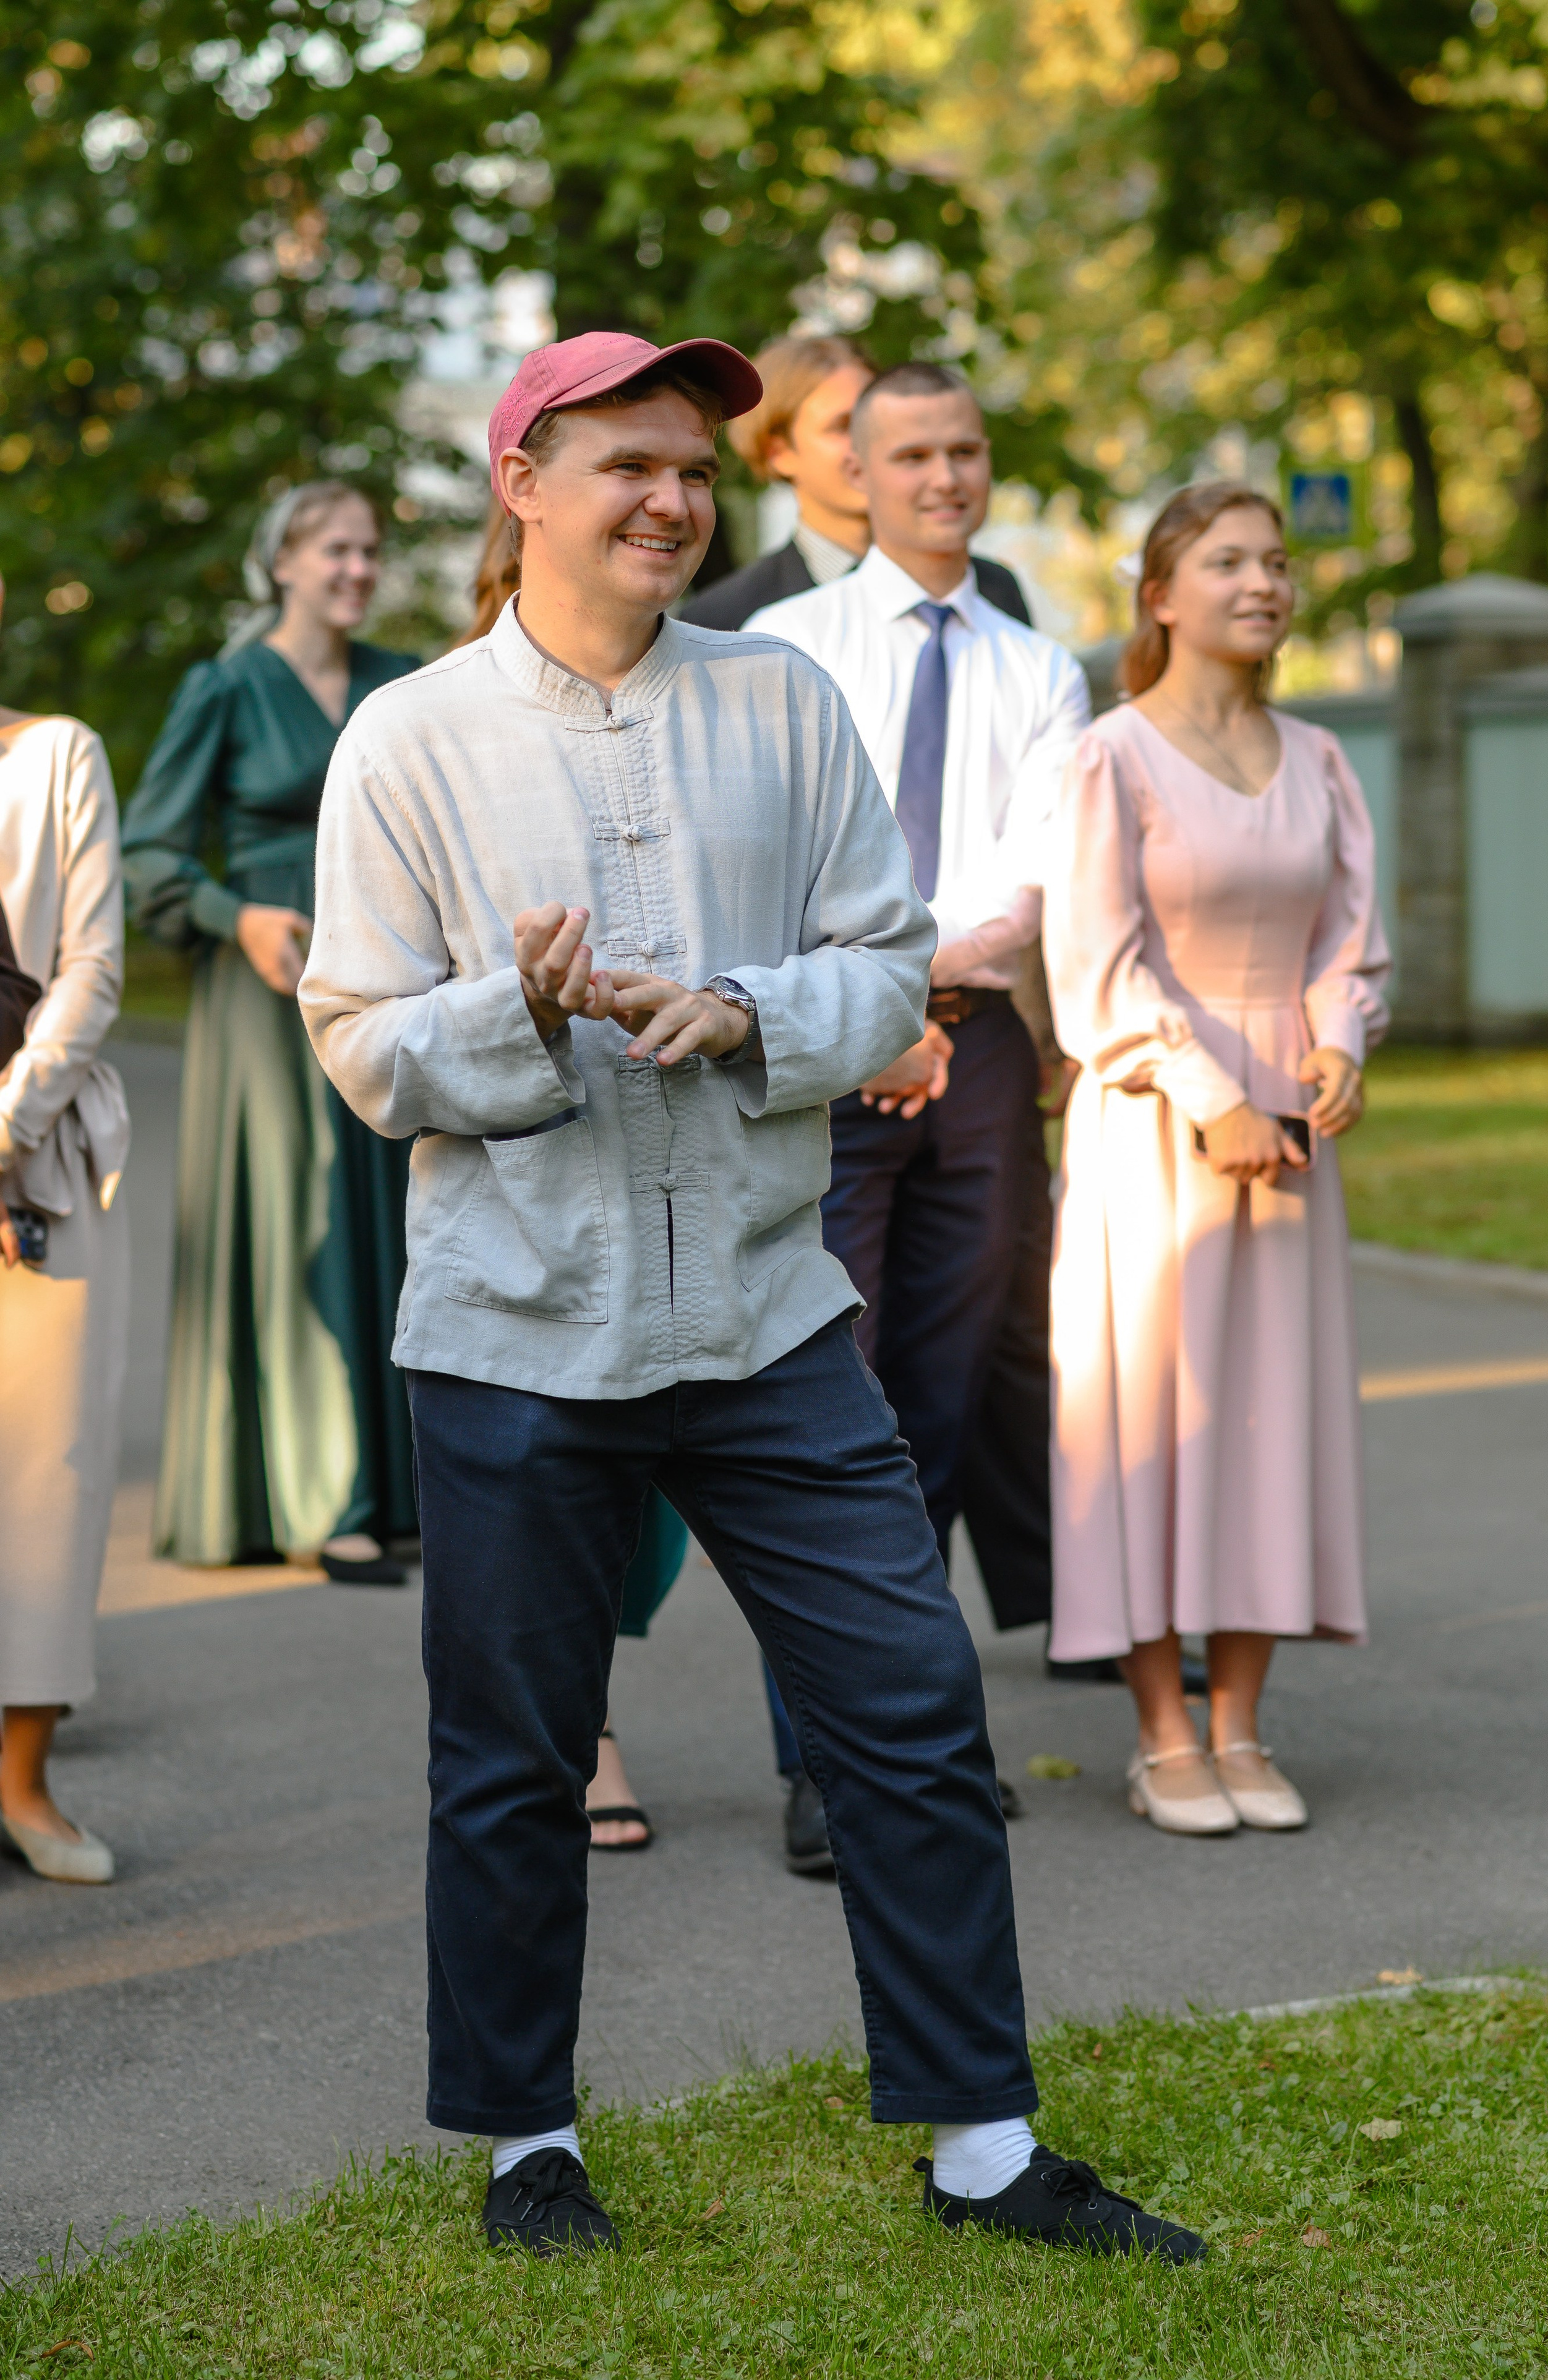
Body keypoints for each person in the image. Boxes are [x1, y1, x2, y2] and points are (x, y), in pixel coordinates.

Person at [299, 328, 1204, 2266]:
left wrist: (754, 1013)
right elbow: (362, 1047)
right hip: (518, 1331)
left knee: (908, 1704)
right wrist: (513, 1012)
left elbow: (889, 969)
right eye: (626, 462)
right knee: (515, 1760)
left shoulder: (783, 703)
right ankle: (526, 2141)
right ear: (522, 483)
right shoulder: (412, 737)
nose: (670, 499)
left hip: (772, 1321)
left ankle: (984, 2149)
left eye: (696, 469)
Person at [686, 340, 1064, 1872]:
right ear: (853, 465)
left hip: (970, 1055)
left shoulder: (1037, 659)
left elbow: (1037, 865)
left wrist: (922, 990)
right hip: (823, 1045)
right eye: (907, 454)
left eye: (962, 451)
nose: (940, 478)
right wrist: (871, 1004)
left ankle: (920, 1742)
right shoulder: (786, 644)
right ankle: (819, 1767)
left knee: (943, 1398)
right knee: (825, 1414)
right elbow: (764, 858)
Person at [1045, 483, 1390, 1836]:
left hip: (1291, 1140)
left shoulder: (1318, 758)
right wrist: (1205, 1092)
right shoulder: (1108, 758)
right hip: (1151, 1126)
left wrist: (1339, 1043)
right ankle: (1158, 1729)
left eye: (1276, 561)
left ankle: (1243, 1725)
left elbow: (1342, 944)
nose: (1261, 582)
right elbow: (1092, 962)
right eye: (1228, 561)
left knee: (1269, 1414)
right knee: (1149, 1414)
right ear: (1159, 595)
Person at [121, 484, 419, 1580]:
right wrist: (231, 916)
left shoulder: (401, 682)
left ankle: (403, 1486)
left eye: (369, 551)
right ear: (282, 561)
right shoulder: (228, 685)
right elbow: (148, 854)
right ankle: (319, 1495)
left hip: (389, 978)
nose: (355, 568)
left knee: (393, 1218)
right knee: (302, 1222)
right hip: (266, 992)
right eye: (335, 549)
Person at [454, 499, 687, 1853]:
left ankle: (592, 1690)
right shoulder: (439, 725)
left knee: (649, 1489)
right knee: (549, 1479)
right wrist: (522, 1009)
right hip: (519, 1185)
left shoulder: (718, 703)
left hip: (687, 1182)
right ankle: (580, 1728)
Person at [0, 568, 131, 1885]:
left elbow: (93, 962)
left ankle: (26, 1784)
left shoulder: (53, 759)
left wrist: (8, 1124)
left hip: (39, 1155)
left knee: (49, 1471)